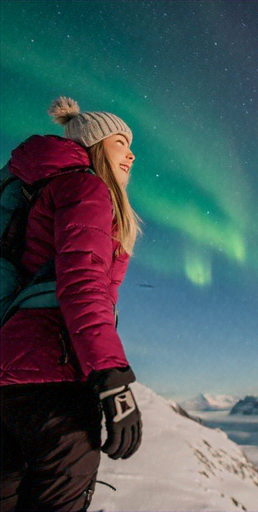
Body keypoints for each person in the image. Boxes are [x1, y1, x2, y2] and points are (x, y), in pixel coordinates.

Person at [0, 97, 143, 511]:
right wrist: (111, 376)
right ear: (96, 145)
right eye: (120, 142)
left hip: (8, 385)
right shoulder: (86, 188)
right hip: (56, 386)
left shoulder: (36, 194)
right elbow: (82, 283)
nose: (131, 152)